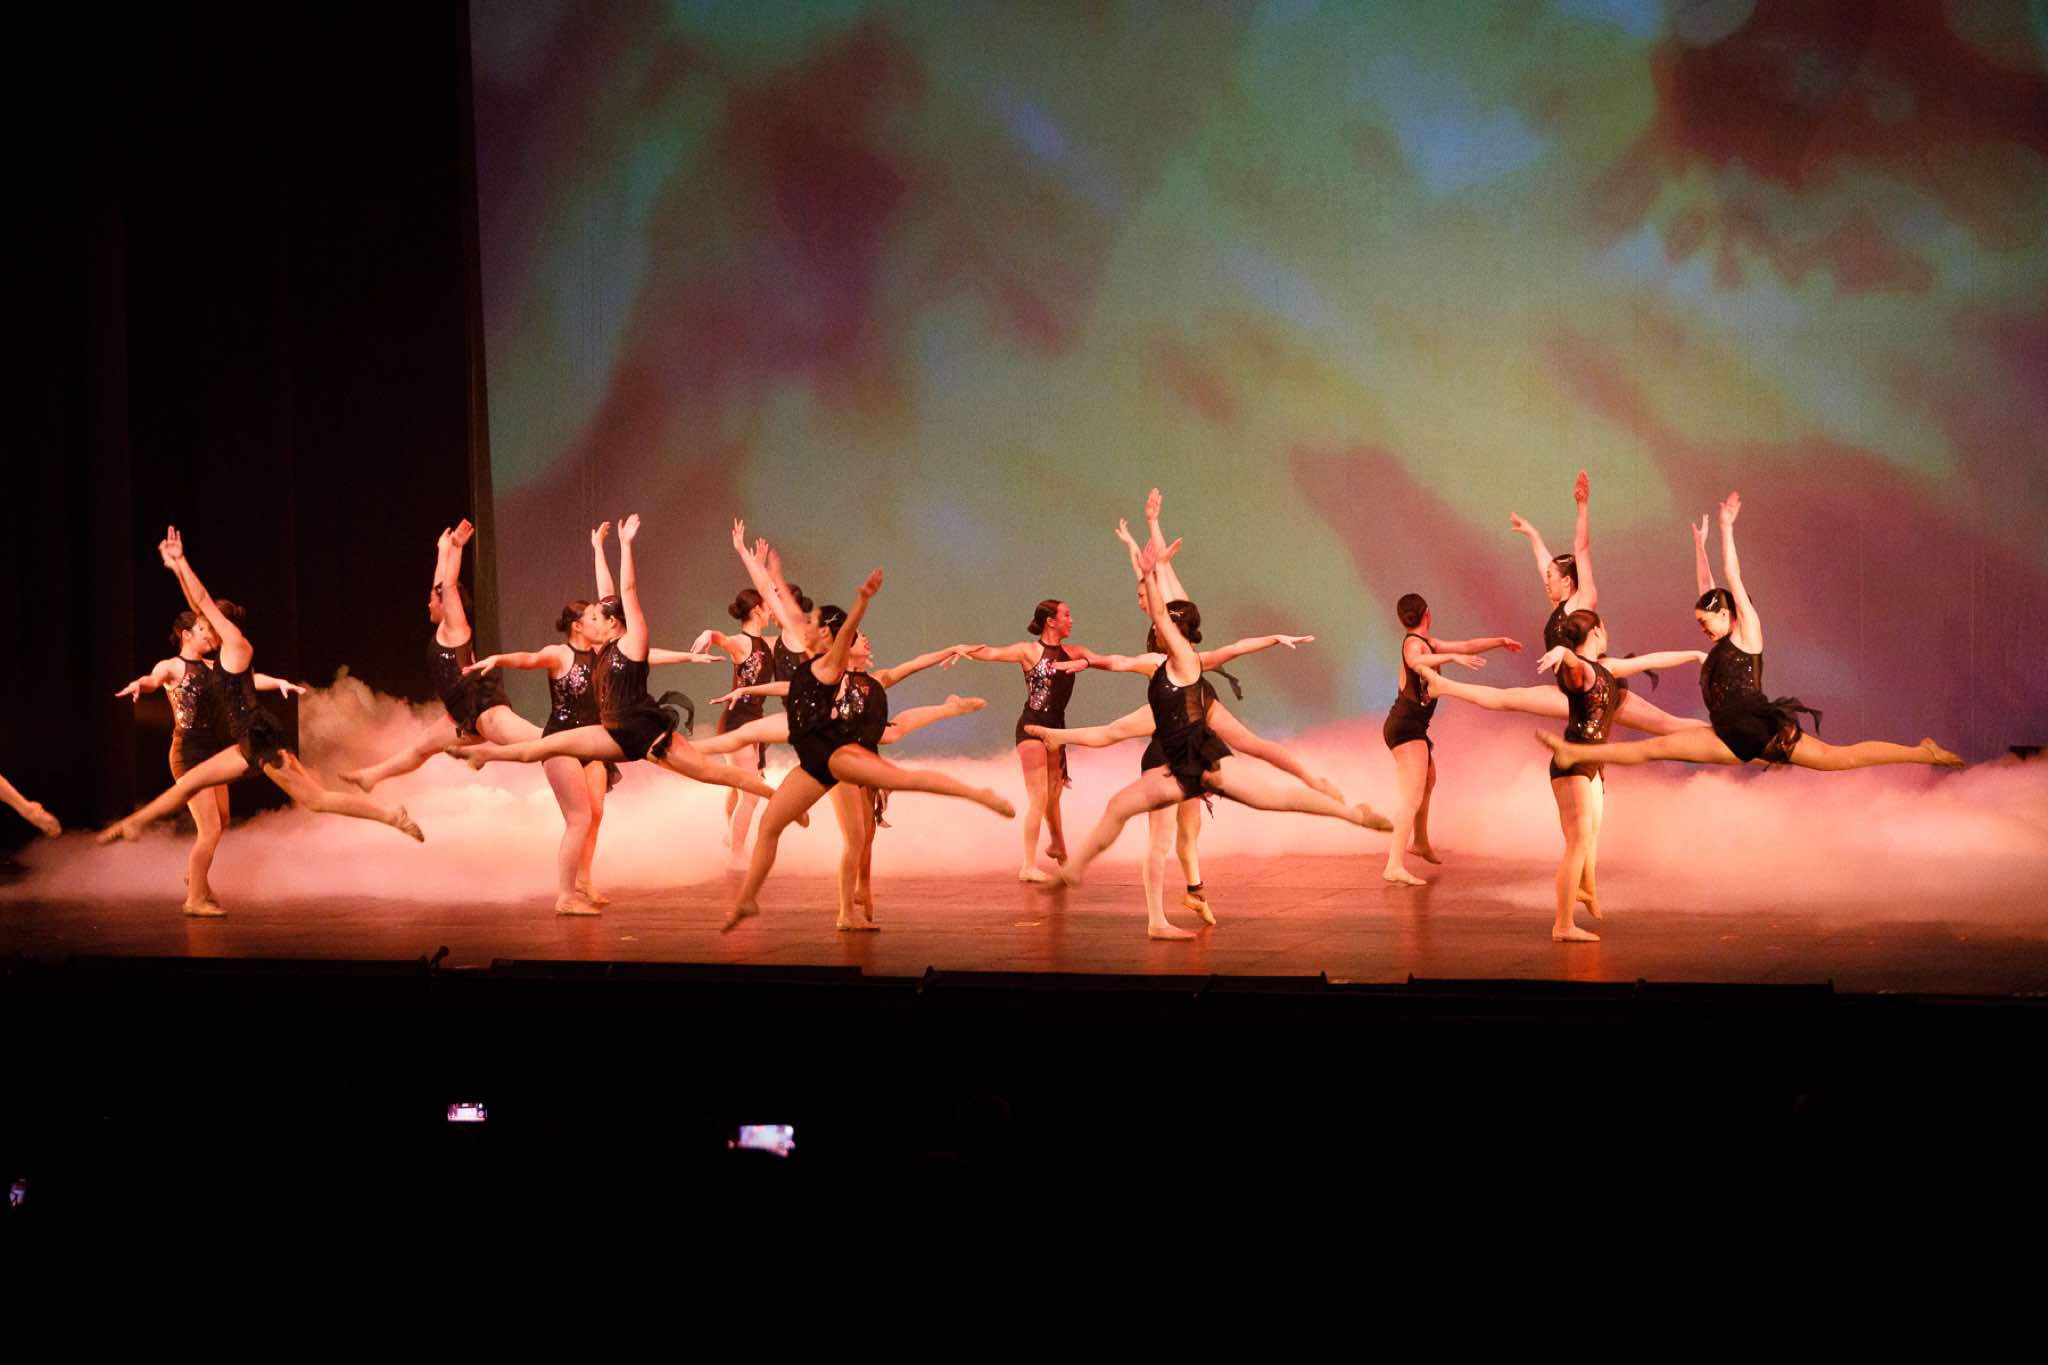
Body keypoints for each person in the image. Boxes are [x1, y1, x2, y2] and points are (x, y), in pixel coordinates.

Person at [1058, 531, 1389, 939]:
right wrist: (1091, 657)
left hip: (1194, 746)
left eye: (1148, 601)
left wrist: (1150, 564)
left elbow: (1189, 624)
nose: (1146, 607)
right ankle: (1144, 899)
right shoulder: (1163, 657)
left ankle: (1339, 807)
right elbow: (1128, 658)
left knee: (1247, 799)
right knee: (1145, 819)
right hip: (1174, 759)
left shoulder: (1181, 654)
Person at [720, 521, 1013, 931]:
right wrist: (767, 570)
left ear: (829, 634)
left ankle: (978, 794)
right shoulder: (804, 650)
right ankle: (752, 898)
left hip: (836, 751)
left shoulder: (833, 663)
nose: (803, 624)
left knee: (893, 795)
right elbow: (777, 602)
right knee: (770, 824)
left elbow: (866, 645)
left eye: (815, 624)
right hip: (812, 754)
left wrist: (862, 599)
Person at [1539, 493, 1964, 774]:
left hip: (1762, 733)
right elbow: (1708, 587)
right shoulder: (1722, 636)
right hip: (1726, 736)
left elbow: (1732, 578)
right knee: (1653, 749)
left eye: (1706, 622)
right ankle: (1576, 752)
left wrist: (1726, 528)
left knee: (1843, 758)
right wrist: (1699, 547)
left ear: (1727, 615)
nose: (1702, 630)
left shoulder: (1748, 635)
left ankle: (1921, 751)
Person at [100, 528, 424, 856]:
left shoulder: (235, 644)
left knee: (317, 800)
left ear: (220, 624)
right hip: (247, 739)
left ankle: (391, 816)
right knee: (192, 783)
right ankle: (135, 823)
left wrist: (182, 562)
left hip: (258, 738)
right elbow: (198, 606)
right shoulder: (221, 654)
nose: (203, 631)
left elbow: (203, 601)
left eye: (206, 626)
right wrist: (176, 570)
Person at [115, 608, 306, 914]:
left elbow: (249, 679)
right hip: (187, 753)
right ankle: (194, 898)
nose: (210, 635)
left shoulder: (213, 666)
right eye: (203, 630)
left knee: (223, 819)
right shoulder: (172, 666)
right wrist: (141, 685)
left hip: (211, 750)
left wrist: (280, 682)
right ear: (186, 635)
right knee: (210, 829)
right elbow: (153, 679)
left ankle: (198, 880)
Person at [1531, 609, 1705, 943]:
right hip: (1573, 763)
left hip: (1593, 763)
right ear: (1597, 630)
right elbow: (1573, 663)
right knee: (1577, 843)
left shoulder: (1607, 667)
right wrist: (1562, 651)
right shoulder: (1581, 671)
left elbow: (1651, 660)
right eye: (1605, 628)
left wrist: (1693, 654)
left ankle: (1585, 890)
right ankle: (1563, 925)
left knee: (1590, 837)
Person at [340, 520, 545, 791]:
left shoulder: (455, 628)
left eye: (432, 600)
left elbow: (447, 587)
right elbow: (440, 585)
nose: (429, 603)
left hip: (485, 711)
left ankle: (588, 752)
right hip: (460, 717)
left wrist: (457, 549)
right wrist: (442, 550)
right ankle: (371, 777)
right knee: (421, 747)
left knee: (543, 743)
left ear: (446, 605)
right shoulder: (443, 629)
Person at [1381, 594, 1522, 886]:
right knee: (1411, 796)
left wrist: (1499, 641)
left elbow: (1467, 645)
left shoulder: (1429, 643)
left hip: (1414, 726)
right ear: (1427, 614)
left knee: (1428, 781)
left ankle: (1420, 842)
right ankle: (1393, 865)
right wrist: (1451, 657)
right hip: (1405, 727)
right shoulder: (1413, 644)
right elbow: (1416, 661)